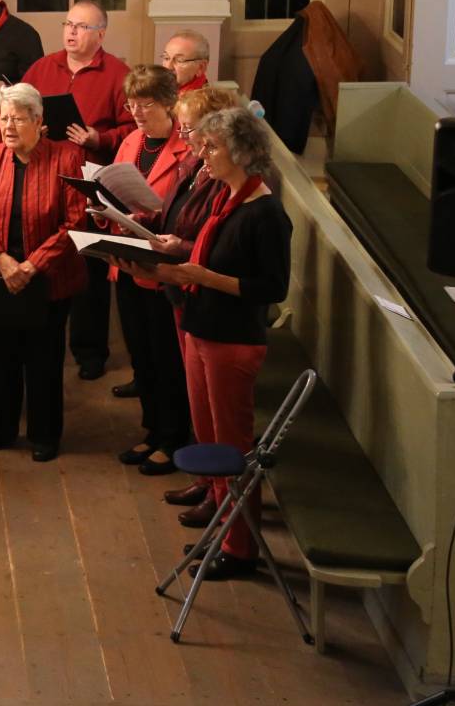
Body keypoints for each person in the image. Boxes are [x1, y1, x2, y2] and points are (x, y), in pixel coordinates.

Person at [146, 108, 290, 581]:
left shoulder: (265, 213)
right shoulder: (227, 199)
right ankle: (215, 504)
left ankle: (239, 547)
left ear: (242, 152)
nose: (202, 154)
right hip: (202, 327)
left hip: (233, 341)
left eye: (212, 147)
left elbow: (271, 289)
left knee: (233, 446)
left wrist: (203, 277)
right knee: (207, 431)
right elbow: (205, 259)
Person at [0, 83, 89, 462]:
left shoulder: (66, 159)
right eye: (4, 118)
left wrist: (32, 265)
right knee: (0, 358)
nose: (9, 126)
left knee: (43, 361)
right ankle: (2, 426)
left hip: (47, 278)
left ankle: (44, 433)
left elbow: (75, 221)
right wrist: (2, 261)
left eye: (18, 118)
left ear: (38, 121)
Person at [20, 0, 132, 381]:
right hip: (44, 176)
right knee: (46, 255)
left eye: (81, 27)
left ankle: (90, 351)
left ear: (100, 34)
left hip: (90, 181)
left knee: (89, 268)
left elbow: (134, 131)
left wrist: (99, 137)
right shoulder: (43, 66)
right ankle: (41, 336)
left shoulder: (117, 73)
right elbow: (21, 104)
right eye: (68, 23)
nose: (70, 32)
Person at [144, 84, 238, 521]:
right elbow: (181, 214)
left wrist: (179, 244)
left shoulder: (231, 183)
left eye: (191, 130)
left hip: (212, 305)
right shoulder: (196, 165)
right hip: (185, 289)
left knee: (219, 415)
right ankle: (207, 484)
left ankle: (221, 497)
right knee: (197, 399)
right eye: (183, 131)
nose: (187, 140)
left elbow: (213, 242)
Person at [100, 66, 189, 475]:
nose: (135, 112)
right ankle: (152, 430)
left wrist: (148, 216)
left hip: (163, 269)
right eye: (131, 104)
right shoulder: (132, 141)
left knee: (166, 358)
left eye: (146, 105)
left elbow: (186, 214)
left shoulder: (187, 148)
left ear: (169, 104)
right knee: (141, 357)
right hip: (128, 262)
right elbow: (116, 192)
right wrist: (106, 211)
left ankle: (174, 439)